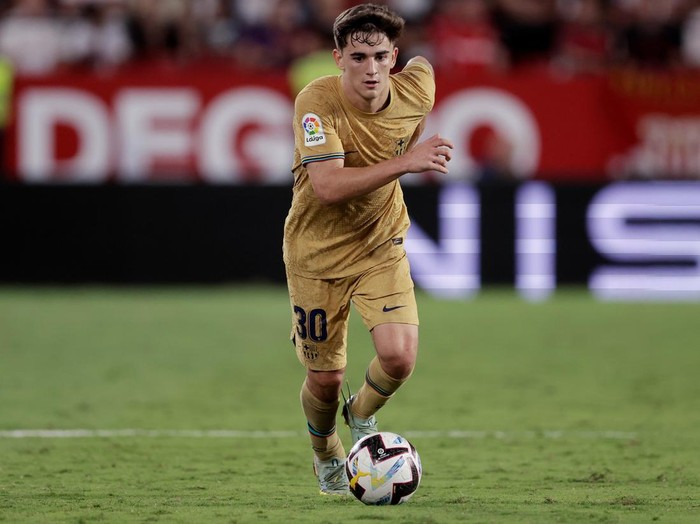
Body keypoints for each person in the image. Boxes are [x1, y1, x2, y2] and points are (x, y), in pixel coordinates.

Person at [282, 3, 454, 496]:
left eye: (380, 55)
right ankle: (326, 454)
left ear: (394, 56)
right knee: (325, 378)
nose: (371, 69)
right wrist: (408, 162)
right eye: (358, 57)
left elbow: (426, 68)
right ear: (338, 58)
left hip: (381, 242)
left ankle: (360, 417)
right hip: (316, 253)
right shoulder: (315, 103)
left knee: (399, 359)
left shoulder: (416, 87)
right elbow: (329, 187)